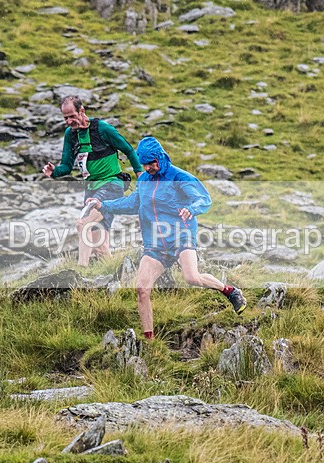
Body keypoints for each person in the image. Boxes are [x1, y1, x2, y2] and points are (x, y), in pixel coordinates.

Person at [87, 136, 247, 340]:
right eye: (144, 164)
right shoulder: (144, 180)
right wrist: (104, 205)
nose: (148, 168)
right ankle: (149, 340)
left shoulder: (178, 176)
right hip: (154, 243)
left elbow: (203, 198)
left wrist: (191, 209)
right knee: (142, 289)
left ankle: (230, 291)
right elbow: (132, 203)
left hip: (181, 236)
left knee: (192, 277)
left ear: (160, 158)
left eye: (151, 163)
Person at [42, 96, 143, 266]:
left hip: (112, 185)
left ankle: (81, 268)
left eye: (72, 116)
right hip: (91, 189)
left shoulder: (103, 129)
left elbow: (129, 150)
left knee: (83, 224)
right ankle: (115, 274)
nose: (69, 121)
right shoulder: (71, 134)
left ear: (82, 111)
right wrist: (54, 172)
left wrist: (140, 176)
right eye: (65, 118)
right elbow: (66, 166)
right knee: (98, 244)